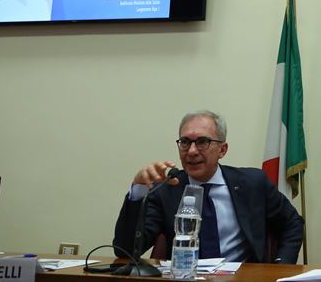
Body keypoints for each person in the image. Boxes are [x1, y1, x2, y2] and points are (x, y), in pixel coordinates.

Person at [113, 110, 303, 263]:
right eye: (185, 142)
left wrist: (281, 264)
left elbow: (293, 223)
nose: (192, 151)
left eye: (202, 142)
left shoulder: (252, 183)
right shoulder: (166, 190)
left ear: (222, 150)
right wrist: (139, 190)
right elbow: (126, 250)